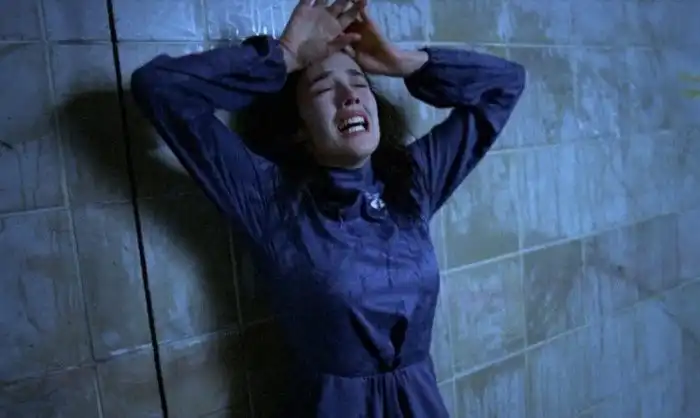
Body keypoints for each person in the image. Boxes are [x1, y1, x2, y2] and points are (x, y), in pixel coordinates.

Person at [130, 0, 526, 416]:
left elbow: (506, 85)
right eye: (323, 89)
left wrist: (403, 63)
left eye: (359, 83)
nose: (349, 96)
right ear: (299, 129)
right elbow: (159, 88)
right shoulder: (269, 198)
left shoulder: (413, 182)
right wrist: (283, 57)